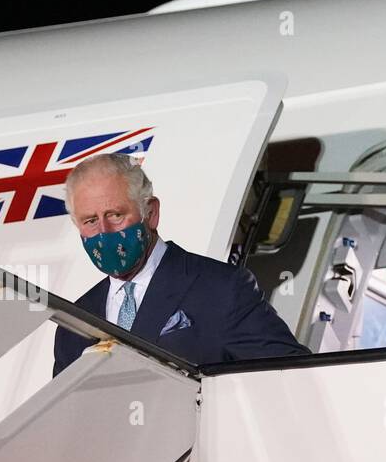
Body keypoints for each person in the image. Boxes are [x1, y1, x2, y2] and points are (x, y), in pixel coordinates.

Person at [53, 154, 308, 376]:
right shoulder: (74, 322)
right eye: (90, 221)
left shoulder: (221, 289)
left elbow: (291, 377)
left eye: (115, 215)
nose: (104, 231)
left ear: (150, 213)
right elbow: (64, 420)